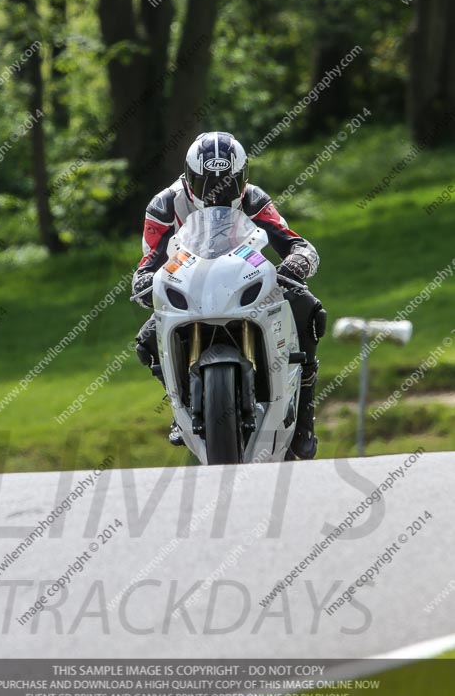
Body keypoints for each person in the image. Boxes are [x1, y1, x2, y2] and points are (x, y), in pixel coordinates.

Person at [131, 131, 326, 459]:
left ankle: (304, 416)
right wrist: (143, 282)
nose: (216, 192)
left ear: (242, 178)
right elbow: (149, 261)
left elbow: (296, 243)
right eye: (206, 183)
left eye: (227, 182)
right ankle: (180, 411)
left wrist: (296, 262)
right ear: (189, 177)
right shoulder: (164, 205)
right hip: (190, 287)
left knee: (308, 310)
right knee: (146, 343)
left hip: (244, 282)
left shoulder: (254, 199)